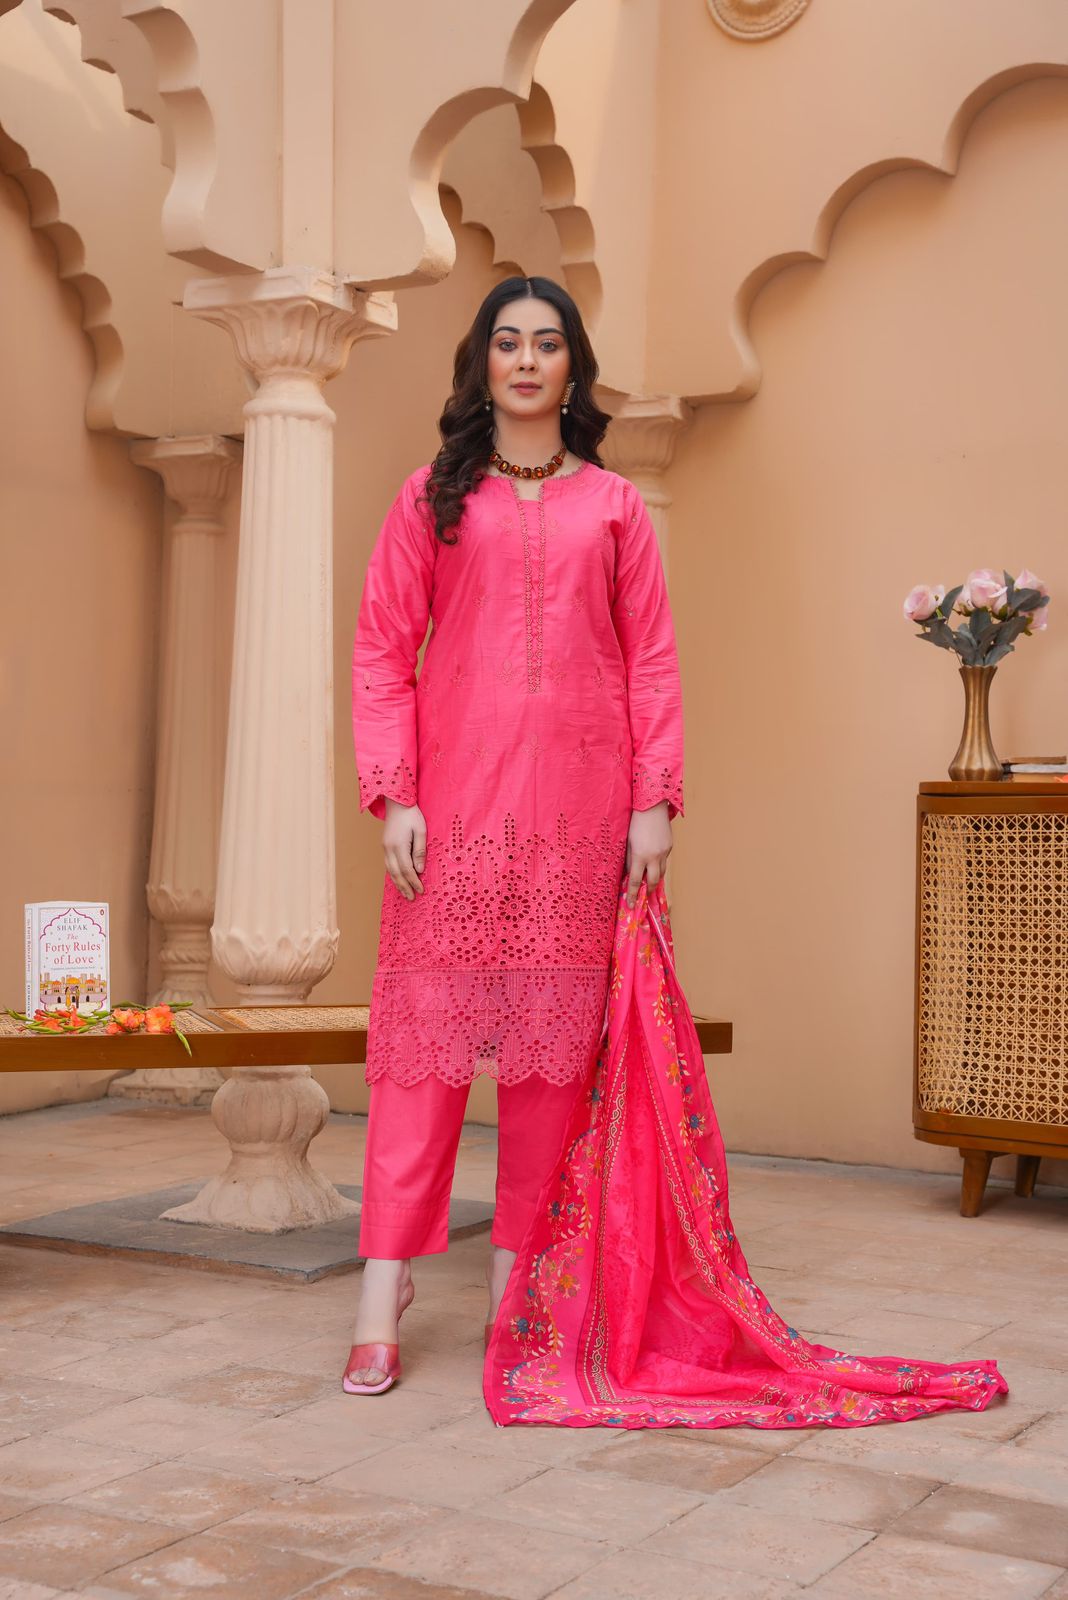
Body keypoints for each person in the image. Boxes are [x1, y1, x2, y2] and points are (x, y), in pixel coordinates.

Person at [346, 275, 682, 1393]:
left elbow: (652, 661)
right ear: (482, 364)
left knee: (549, 1070)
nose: (527, 360)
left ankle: (515, 1293)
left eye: (546, 343)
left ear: (573, 365)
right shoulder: (430, 497)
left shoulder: (616, 507)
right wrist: (395, 793)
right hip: (453, 812)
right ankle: (381, 1288)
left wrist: (652, 798)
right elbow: (383, 651)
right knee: (423, 1061)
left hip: (579, 818)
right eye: (507, 342)